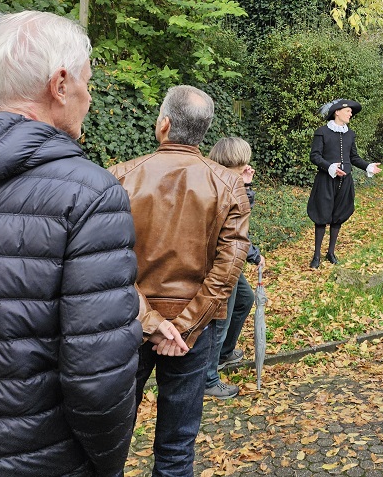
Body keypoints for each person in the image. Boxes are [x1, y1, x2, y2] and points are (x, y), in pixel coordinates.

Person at [0, 11, 177, 476]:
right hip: (41, 456)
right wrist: (105, 463)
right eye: (87, 82)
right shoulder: (87, 194)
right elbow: (97, 377)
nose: (90, 97)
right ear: (60, 85)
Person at [110, 85, 251, 477]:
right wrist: (183, 328)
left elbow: (105, 262)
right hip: (193, 331)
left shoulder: (119, 177)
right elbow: (228, 270)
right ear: (203, 132)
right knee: (176, 447)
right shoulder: (228, 184)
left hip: (125, 323)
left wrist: (152, 323)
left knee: (109, 443)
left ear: (164, 124)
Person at [203, 137, 266, 399]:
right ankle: (208, 377)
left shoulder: (230, 183)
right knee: (220, 319)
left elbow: (240, 222)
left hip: (231, 259)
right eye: (241, 164)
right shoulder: (216, 186)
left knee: (245, 299)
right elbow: (231, 228)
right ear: (228, 164)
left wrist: (245, 185)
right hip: (219, 263)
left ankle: (225, 352)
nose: (246, 168)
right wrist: (253, 254)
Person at [307, 98, 381, 269]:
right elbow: (315, 156)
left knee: (338, 216)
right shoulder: (322, 132)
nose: (351, 113)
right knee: (321, 216)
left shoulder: (350, 133)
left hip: (345, 181)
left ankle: (330, 252)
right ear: (337, 112)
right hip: (326, 180)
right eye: (348, 111)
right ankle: (316, 255)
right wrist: (330, 167)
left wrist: (367, 166)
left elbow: (353, 157)